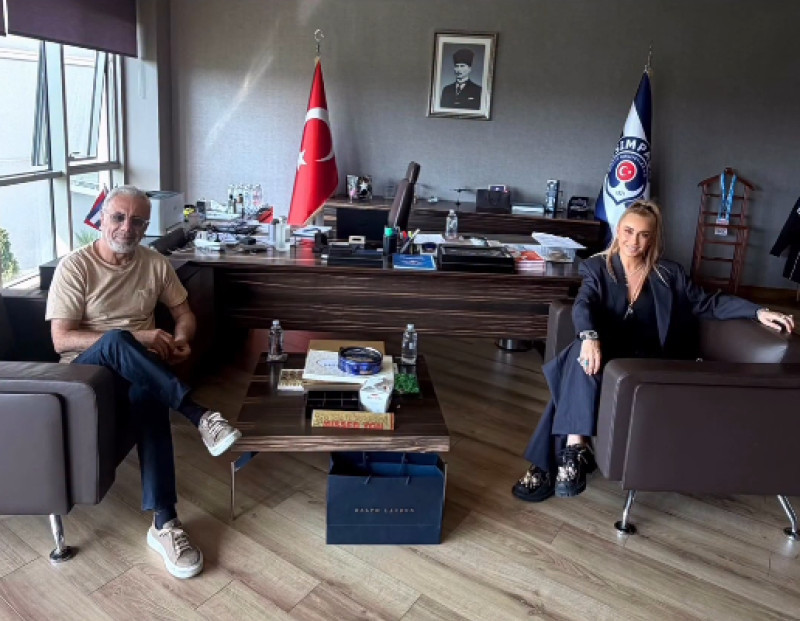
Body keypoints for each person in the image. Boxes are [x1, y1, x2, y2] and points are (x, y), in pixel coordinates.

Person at [512, 200, 795, 502]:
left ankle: (551, 462)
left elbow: (708, 302)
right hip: (608, 354)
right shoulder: (597, 268)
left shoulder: (669, 273)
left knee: (574, 363)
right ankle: (573, 451)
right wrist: (590, 336)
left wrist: (758, 311)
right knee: (580, 354)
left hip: (647, 360)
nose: (634, 241)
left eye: (643, 234)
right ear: (618, 231)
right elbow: (584, 304)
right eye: (628, 231)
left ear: (653, 238)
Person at [45, 185, 242, 579]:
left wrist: (182, 338)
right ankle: (200, 415)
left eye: (137, 221)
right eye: (118, 217)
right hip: (84, 377)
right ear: (101, 219)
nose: (126, 228)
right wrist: (138, 337)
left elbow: (184, 314)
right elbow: (61, 339)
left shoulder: (154, 263)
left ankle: (165, 523)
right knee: (118, 340)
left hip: (135, 371)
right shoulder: (75, 266)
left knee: (147, 394)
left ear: (147, 226)